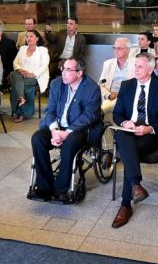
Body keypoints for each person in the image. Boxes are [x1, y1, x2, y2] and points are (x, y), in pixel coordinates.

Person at [109, 53, 158, 228]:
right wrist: (125, 122)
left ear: (150, 69)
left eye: (140, 66)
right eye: (135, 65)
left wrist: (148, 129)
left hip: (150, 136)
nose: (136, 69)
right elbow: (117, 113)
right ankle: (135, 186)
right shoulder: (127, 86)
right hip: (129, 131)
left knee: (128, 151)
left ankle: (126, 205)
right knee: (122, 135)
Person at [27, 58, 102, 201]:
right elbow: (50, 110)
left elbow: (89, 115)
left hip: (78, 129)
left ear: (79, 73)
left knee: (70, 143)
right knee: (37, 138)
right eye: (63, 69)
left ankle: (60, 188)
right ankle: (44, 186)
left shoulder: (92, 88)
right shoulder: (56, 84)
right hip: (57, 126)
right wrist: (55, 131)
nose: (63, 73)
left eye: (68, 70)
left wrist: (67, 132)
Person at [10, 31, 50, 122]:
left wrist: (32, 74)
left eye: (31, 36)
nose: (28, 38)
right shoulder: (22, 48)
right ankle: (21, 99)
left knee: (16, 83)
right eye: (27, 36)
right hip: (20, 75)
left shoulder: (43, 50)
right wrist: (20, 70)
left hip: (35, 77)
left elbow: (44, 66)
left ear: (37, 39)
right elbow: (15, 62)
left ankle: (20, 112)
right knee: (13, 74)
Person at [99, 38, 135, 114]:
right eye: (114, 48)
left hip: (128, 97)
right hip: (111, 96)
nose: (116, 51)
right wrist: (109, 95)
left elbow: (138, 85)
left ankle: (103, 111)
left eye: (119, 48)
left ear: (128, 50)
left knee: (108, 108)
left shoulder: (136, 64)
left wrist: (121, 95)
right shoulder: (108, 64)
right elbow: (100, 85)